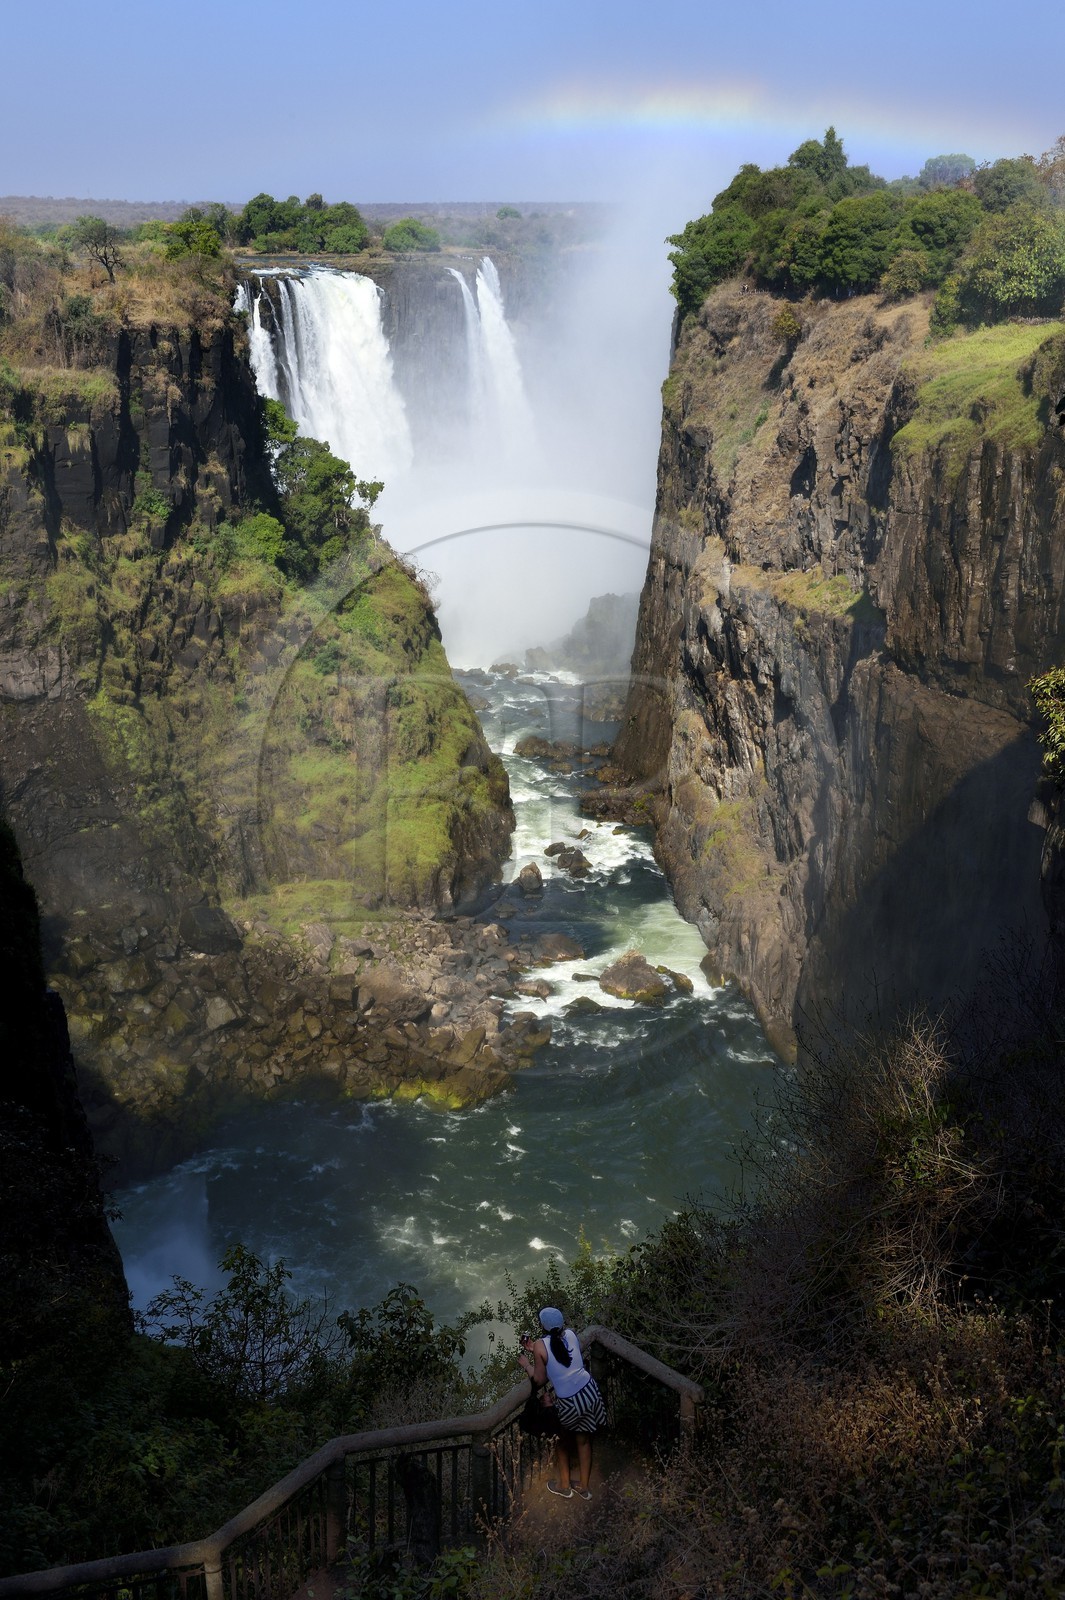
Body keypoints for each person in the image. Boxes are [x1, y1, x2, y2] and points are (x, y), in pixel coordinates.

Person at [517, 1306, 607, 1500]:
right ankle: (584, 1487)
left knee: (561, 1442)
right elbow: (561, 1356)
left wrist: (527, 1365)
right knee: (583, 1441)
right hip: (589, 1391)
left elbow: (539, 1380)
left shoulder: (541, 1344)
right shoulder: (571, 1335)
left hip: (570, 1401)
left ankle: (564, 1485)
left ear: (542, 1326)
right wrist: (535, 1350)